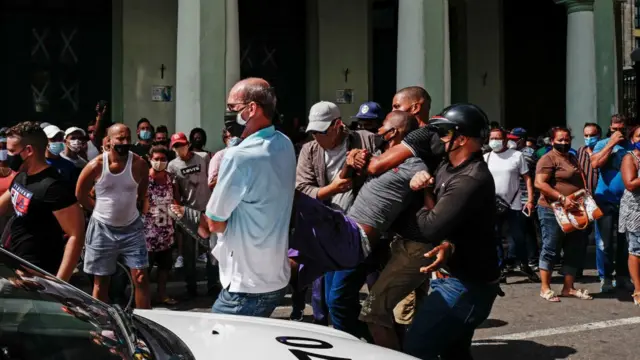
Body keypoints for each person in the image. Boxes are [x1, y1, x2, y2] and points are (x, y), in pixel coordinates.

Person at [397, 104, 500, 359]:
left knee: (416, 349)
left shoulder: (470, 179)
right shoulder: (447, 165)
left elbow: (430, 227)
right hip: (455, 277)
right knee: (454, 352)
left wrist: (422, 192)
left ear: (461, 138)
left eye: (443, 133)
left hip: (466, 286)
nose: (437, 139)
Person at [199, 77, 296, 317]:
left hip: (245, 286)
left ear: (251, 109)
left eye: (232, 108)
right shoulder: (285, 144)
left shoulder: (239, 157)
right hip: (275, 279)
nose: (228, 114)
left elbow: (214, 221)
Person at [76, 123, 151, 309]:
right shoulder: (96, 165)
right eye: (120, 138)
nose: (125, 142)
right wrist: (97, 209)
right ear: (109, 141)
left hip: (132, 228)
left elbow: (142, 191)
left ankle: (146, 323)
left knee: (141, 277)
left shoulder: (139, 164)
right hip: (102, 229)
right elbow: (80, 194)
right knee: (101, 282)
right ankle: (104, 327)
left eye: (127, 138)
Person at [0, 121, 85, 281]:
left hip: (39, 274)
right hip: (16, 265)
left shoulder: (54, 187)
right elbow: (3, 204)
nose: (8, 155)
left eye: (12, 151)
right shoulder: (21, 176)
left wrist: (60, 285)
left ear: (29, 150)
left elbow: (76, 235)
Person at [535, 127, 592, 302]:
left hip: (574, 209)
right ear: (552, 141)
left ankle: (569, 288)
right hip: (553, 210)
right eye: (560, 140)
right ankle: (545, 288)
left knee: (573, 248)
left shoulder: (571, 157)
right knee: (551, 248)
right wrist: (561, 198)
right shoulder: (548, 158)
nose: (564, 143)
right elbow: (540, 183)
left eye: (567, 139)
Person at [485, 127, 538, 282]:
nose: (495, 141)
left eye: (498, 138)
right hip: (492, 205)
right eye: (492, 138)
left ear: (505, 140)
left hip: (514, 204)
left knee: (518, 237)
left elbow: (527, 178)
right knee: (495, 238)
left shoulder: (516, 156)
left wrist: (529, 199)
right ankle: (500, 269)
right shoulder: (486, 157)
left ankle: (523, 264)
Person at [590, 114, 635, 292]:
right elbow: (595, 164)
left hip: (627, 201)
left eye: (621, 129)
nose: (618, 132)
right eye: (614, 129)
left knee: (625, 241)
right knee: (604, 242)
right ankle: (606, 277)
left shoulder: (631, 146)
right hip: (605, 199)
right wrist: (611, 143)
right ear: (610, 128)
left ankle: (623, 276)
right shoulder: (602, 144)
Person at [167, 131, 215, 295]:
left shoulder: (203, 157)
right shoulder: (173, 165)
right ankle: (191, 287)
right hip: (188, 212)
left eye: (182, 145)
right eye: (176, 146)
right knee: (189, 253)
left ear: (188, 144)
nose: (180, 148)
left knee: (211, 250)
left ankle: (212, 284)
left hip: (207, 209)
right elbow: (174, 190)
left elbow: (212, 178)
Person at [143, 144, 180, 305]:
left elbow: (176, 199)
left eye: (163, 159)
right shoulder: (144, 179)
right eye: (156, 159)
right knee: (145, 268)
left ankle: (162, 295)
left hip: (167, 229)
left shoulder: (171, 178)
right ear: (150, 159)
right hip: (148, 233)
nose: (159, 162)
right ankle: (143, 298)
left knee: (165, 267)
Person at [620, 124, 640, 306]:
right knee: (636, 249)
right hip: (636, 211)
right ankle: (638, 290)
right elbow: (630, 184)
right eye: (639, 136)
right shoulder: (630, 158)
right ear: (632, 140)